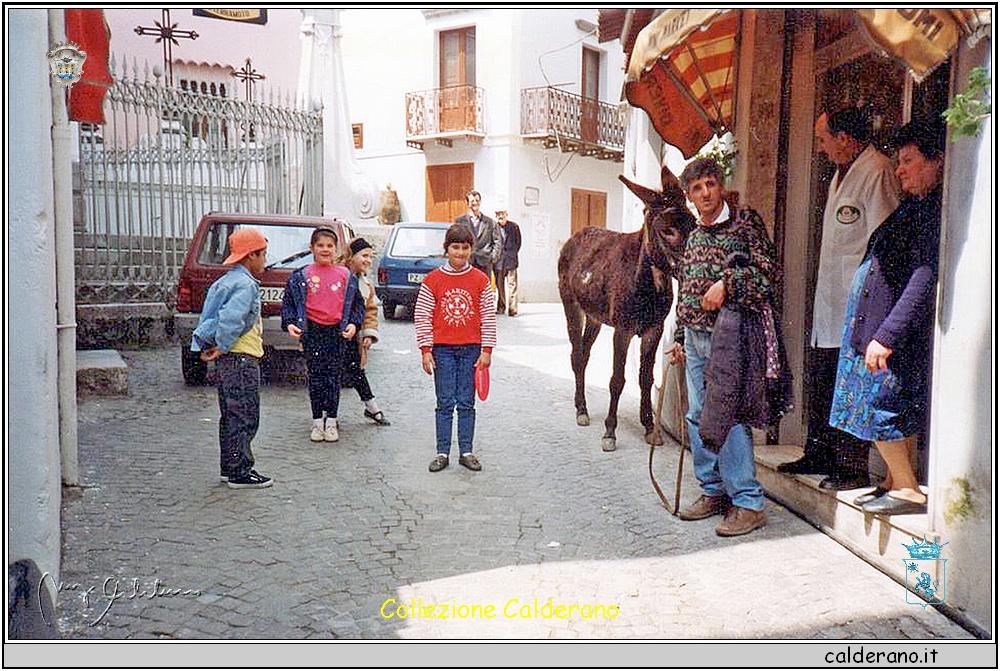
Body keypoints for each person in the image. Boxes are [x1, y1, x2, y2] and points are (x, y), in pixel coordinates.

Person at [779, 107, 901, 491]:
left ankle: (851, 468)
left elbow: (886, 240)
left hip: (860, 301)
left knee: (852, 382)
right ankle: (819, 454)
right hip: (830, 299)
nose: (819, 147)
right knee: (824, 375)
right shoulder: (839, 173)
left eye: (822, 138)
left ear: (844, 139)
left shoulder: (877, 171)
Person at [829, 120, 945, 516]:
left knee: (882, 405)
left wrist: (887, 333)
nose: (900, 170)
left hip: (889, 331)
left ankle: (909, 489)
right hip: (877, 326)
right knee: (889, 406)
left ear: (938, 162)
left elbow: (923, 277)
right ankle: (895, 480)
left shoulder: (932, 211)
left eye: (909, 161)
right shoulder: (916, 206)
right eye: (899, 161)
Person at [666, 157, 781, 537]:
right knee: (698, 415)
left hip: (729, 338)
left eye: (710, 185)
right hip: (696, 340)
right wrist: (680, 337)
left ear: (721, 185)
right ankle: (714, 491)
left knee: (728, 416)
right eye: (697, 189)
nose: (706, 194)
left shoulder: (745, 223)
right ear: (690, 197)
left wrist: (728, 284)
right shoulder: (696, 234)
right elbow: (687, 286)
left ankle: (748, 503)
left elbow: (767, 272)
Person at [191, 227, 273, 489]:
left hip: (232, 359)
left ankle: (230, 466)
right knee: (245, 414)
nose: (265, 261)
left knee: (230, 414)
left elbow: (212, 316)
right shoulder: (246, 284)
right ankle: (240, 471)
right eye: (263, 255)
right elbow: (230, 319)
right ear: (251, 256)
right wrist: (224, 345)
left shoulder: (226, 280)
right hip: (241, 356)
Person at [414, 223, 496, 473]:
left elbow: (488, 316)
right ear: (446, 249)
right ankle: (442, 452)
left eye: (465, 248)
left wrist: (487, 350)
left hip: (471, 350)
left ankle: (466, 451)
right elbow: (423, 315)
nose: (459, 253)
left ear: (471, 249)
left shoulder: (481, 280)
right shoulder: (433, 280)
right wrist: (426, 349)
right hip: (443, 351)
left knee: (467, 402)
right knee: (444, 401)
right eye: (455, 247)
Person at [281, 227, 366, 443]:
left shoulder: (345, 275)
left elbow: (358, 305)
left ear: (336, 249)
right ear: (312, 248)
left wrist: (354, 324)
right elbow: (289, 302)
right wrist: (290, 323)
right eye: (320, 245)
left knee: (333, 378)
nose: (325, 250)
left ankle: (332, 421)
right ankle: (317, 421)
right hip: (313, 332)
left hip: (336, 333)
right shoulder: (302, 275)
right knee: (316, 377)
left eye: (329, 246)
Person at [341, 237, 391, 426]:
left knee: (357, 372)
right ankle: (328, 416)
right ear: (351, 256)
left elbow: (371, 311)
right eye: (364, 256)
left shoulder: (366, 285)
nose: (368, 260)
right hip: (335, 334)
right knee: (331, 375)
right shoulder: (339, 277)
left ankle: (372, 408)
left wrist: (369, 333)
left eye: (371, 257)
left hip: (354, 337)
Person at [455, 190, 502, 281]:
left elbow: (497, 241)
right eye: (472, 201)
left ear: (480, 202)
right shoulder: (460, 222)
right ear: (467, 203)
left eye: (477, 200)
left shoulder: (490, 222)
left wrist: (492, 257)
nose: (475, 203)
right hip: (466, 261)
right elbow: (454, 240)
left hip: (485, 262)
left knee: (483, 290)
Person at [494, 202, 522, 316]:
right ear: (496, 216)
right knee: (499, 286)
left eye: (502, 213)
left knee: (512, 285)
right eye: (498, 214)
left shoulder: (514, 227)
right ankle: (501, 307)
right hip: (498, 262)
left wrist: (512, 253)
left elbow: (518, 242)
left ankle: (512, 309)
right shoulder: (493, 227)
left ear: (506, 214)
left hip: (510, 261)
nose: (500, 216)